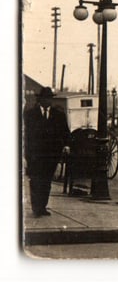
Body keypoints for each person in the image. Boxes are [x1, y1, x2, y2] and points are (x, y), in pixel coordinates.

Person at [23, 87, 71, 217]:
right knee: (35, 181)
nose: (47, 101)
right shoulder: (30, 114)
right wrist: (25, 154)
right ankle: (36, 208)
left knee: (46, 182)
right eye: (45, 98)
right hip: (35, 156)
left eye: (49, 98)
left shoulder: (59, 115)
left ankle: (42, 206)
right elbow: (25, 136)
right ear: (40, 100)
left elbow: (66, 133)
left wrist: (66, 145)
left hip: (51, 156)